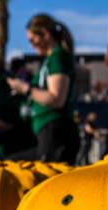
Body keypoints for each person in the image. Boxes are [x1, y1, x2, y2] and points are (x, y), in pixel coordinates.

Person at [7, 14, 79, 164]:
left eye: (33, 40)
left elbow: (57, 98)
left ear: (45, 34)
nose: (31, 45)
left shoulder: (57, 57)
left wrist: (25, 89)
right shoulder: (50, 59)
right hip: (47, 132)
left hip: (55, 132)